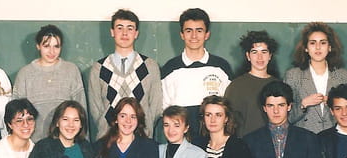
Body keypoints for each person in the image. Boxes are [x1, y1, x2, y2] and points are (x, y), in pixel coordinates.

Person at [88, 9, 162, 139]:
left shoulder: (149, 66)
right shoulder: (99, 68)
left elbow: (155, 106)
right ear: (112, 32)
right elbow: (95, 109)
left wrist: (145, 129)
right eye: (119, 28)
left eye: (130, 28)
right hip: (108, 140)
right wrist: (107, 129)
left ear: (136, 33)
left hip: (141, 139)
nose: (124, 33)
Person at [162, 8, 233, 138]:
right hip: (182, 141)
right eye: (189, 31)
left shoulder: (221, 67)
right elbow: (165, 109)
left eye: (199, 31)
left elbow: (228, 107)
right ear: (182, 34)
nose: (194, 36)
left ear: (207, 34)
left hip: (214, 142)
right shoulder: (170, 68)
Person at [13, 24, 87, 140]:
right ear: (38, 46)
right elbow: (16, 115)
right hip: (35, 142)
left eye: (56, 46)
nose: (52, 51)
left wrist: (83, 142)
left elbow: (81, 110)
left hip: (66, 141)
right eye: (46, 46)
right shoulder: (24, 74)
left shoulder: (71, 70)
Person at [284, 22, 347, 134]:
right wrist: (303, 104)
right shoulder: (293, 76)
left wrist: (334, 103)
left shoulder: (344, 76)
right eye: (312, 43)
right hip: (304, 137)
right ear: (306, 48)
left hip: (335, 137)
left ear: (329, 47)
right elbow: (286, 117)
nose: (318, 47)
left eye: (323, 42)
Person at [224, 30, 279, 137]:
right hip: (244, 144)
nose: (260, 57)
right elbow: (228, 123)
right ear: (248, 56)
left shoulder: (278, 85)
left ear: (270, 56)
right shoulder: (235, 86)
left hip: (273, 143)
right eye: (254, 52)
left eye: (264, 52)